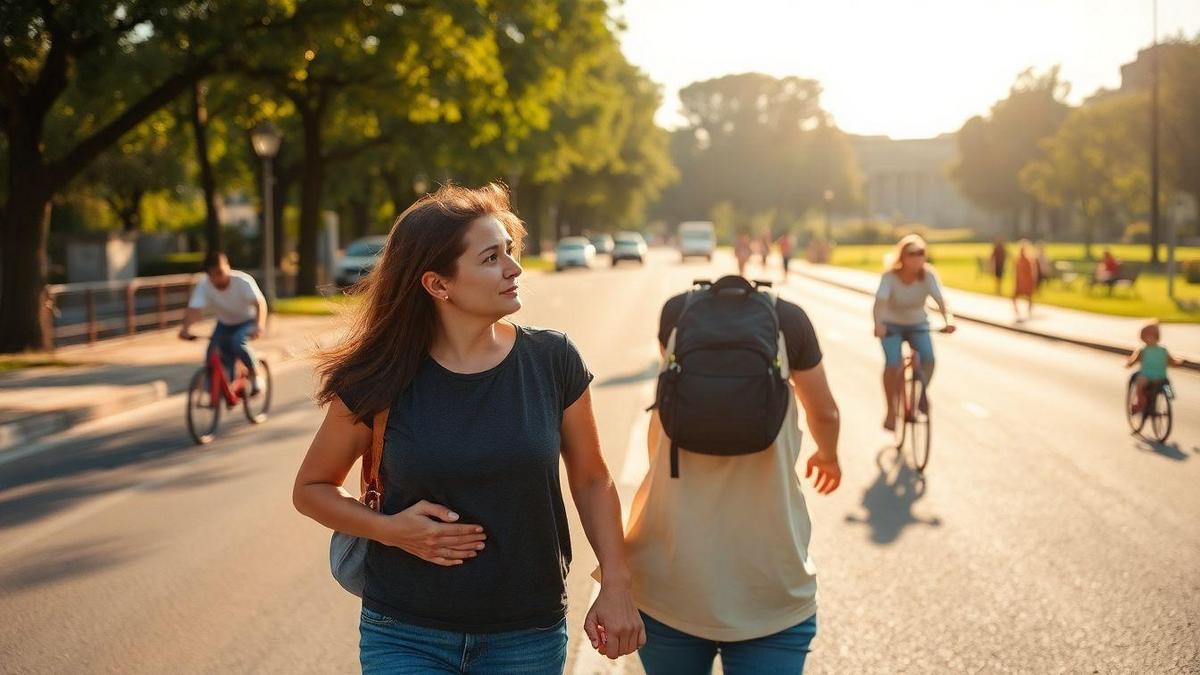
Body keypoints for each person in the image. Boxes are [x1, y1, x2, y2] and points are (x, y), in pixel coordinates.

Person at [292, 184, 643, 674]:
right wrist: (391, 531)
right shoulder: (378, 377)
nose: (514, 269)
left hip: (527, 633)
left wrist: (617, 584)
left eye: (510, 252)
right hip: (405, 633)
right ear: (438, 285)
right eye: (491, 258)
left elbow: (591, 479)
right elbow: (311, 489)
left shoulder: (552, 360)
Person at [611, 279, 842, 674]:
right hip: (770, 587)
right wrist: (828, 455)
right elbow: (825, 413)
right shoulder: (790, 322)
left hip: (671, 579)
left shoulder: (675, 315)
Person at [873, 235, 956, 431]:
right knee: (892, 364)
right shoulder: (890, 277)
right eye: (912, 254)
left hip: (918, 324)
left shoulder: (928, 275)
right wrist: (878, 324)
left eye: (921, 254)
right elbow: (879, 305)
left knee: (929, 359)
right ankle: (891, 411)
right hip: (891, 326)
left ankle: (920, 396)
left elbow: (941, 300)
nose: (918, 258)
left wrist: (949, 321)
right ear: (903, 257)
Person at [178, 250, 268, 395]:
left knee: (237, 343)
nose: (218, 278)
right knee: (211, 352)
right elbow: (194, 309)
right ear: (208, 275)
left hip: (247, 321)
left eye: (221, 272)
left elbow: (260, 303)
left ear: (228, 267)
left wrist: (259, 325)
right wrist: (185, 329)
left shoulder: (242, 281)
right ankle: (214, 388)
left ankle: (255, 374)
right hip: (224, 323)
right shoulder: (204, 285)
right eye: (213, 275)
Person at [1126, 322, 1184, 414]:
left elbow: (1133, 360)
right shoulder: (1163, 350)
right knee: (1166, 382)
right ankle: (1169, 394)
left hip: (1147, 377)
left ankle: (1141, 401)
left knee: (1139, 384)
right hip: (1160, 377)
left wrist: (1129, 364)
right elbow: (1172, 361)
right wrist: (1178, 362)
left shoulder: (1143, 350)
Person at [1012, 239, 1036, 321]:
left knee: (1029, 297)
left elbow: (1031, 272)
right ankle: (1017, 311)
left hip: (1025, 282)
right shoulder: (1018, 259)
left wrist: (1031, 281)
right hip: (1020, 282)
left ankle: (1029, 311)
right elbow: (1016, 271)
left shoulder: (1027, 260)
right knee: (1015, 297)